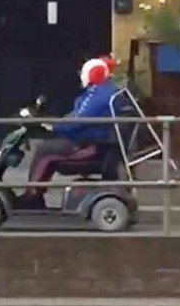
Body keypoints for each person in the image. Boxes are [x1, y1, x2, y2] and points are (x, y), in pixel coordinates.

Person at [18, 58, 117, 209]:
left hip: (90, 146)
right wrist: (53, 121)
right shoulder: (102, 92)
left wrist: (53, 126)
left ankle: (32, 197)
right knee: (49, 148)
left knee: (45, 151)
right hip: (93, 142)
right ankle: (35, 194)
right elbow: (76, 116)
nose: (81, 76)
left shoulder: (96, 95)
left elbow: (76, 122)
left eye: (83, 73)